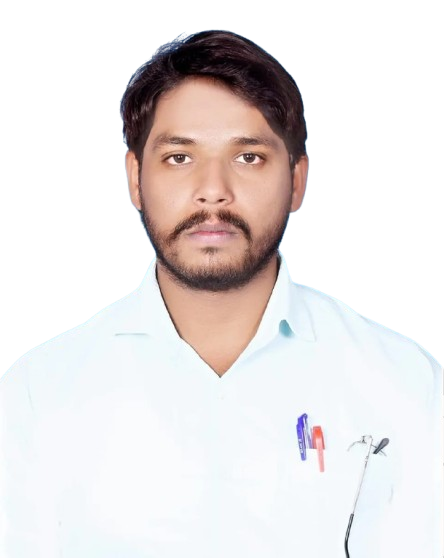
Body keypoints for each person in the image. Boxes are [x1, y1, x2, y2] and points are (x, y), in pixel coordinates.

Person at [0, 30, 442, 558]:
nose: (213, 190)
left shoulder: (404, 383)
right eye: (179, 158)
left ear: (297, 179)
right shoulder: (39, 395)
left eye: (249, 157)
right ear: (135, 178)